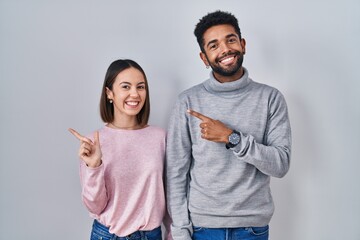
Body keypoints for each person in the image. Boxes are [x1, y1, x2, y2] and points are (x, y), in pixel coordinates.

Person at [166, 10, 291, 240]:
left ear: (243, 44)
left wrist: (232, 138)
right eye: (214, 45)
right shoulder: (188, 102)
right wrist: (181, 231)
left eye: (230, 40)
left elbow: (280, 164)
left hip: (252, 229)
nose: (225, 49)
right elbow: (176, 173)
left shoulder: (270, 98)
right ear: (204, 58)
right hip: (201, 229)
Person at [69, 59, 172, 240]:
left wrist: (172, 235)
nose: (135, 94)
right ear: (109, 93)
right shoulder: (94, 141)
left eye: (140, 87)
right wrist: (94, 167)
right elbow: (95, 207)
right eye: (125, 87)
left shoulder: (160, 137)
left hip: (151, 235)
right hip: (107, 235)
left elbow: (172, 193)